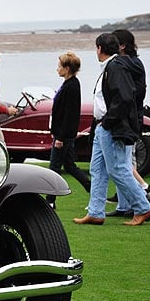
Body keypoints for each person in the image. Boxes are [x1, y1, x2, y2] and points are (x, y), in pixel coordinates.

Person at [74, 33, 150, 226]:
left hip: (110, 126)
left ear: (99, 48)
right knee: (97, 169)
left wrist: (108, 121)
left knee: (118, 169)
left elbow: (125, 97)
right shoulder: (111, 67)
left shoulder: (115, 68)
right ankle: (95, 212)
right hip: (102, 126)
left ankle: (143, 208)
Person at [106, 29, 150, 217]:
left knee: (124, 163)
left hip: (128, 119)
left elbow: (126, 94)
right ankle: (125, 204)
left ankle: (141, 196)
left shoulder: (123, 64)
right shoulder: (135, 63)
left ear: (122, 46)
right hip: (133, 116)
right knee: (126, 161)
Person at [45, 52, 90, 209]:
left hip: (63, 135)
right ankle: (93, 191)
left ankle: (50, 200)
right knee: (70, 166)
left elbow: (69, 114)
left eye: (59, 66)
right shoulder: (68, 84)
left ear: (67, 68)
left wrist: (61, 137)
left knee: (54, 166)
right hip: (63, 134)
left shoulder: (72, 86)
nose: (57, 69)